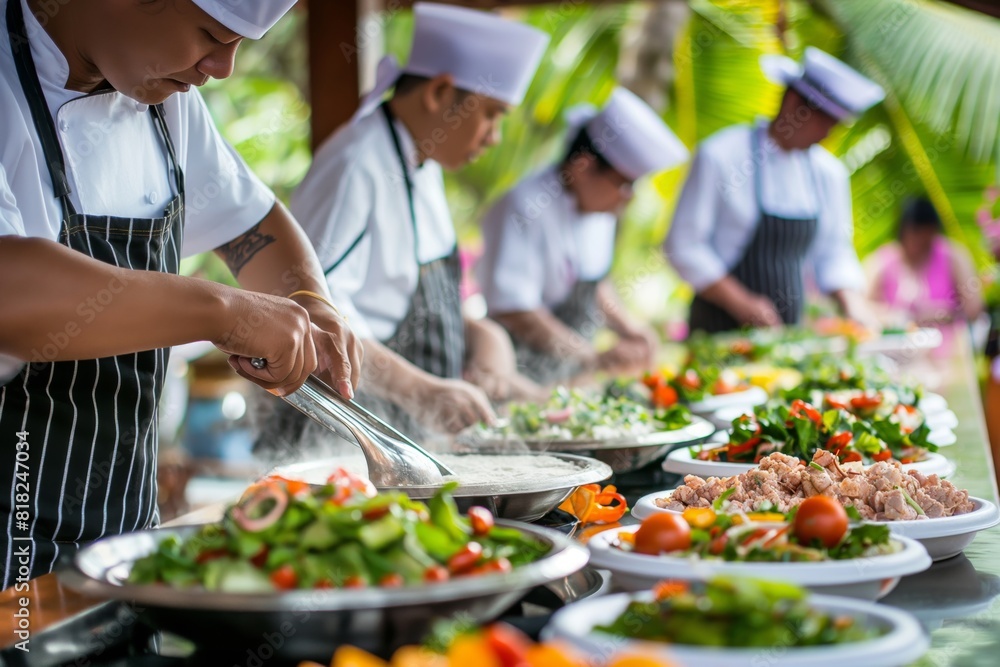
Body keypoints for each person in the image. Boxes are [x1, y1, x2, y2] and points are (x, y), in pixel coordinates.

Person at [0, 0, 363, 588]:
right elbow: (10, 291)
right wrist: (224, 312)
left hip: (121, 543)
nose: (223, 68)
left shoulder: (165, 105)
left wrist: (310, 300)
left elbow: (254, 225)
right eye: (211, 34)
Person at [288, 3, 549, 437]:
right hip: (344, 428)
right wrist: (422, 390)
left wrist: (486, 337)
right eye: (491, 114)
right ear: (439, 92)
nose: (494, 137)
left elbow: (412, 299)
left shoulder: (423, 162)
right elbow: (317, 316)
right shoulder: (356, 165)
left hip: (405, 428)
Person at [665, 47, 885, 333]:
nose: (828, 135)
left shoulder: (828, 173)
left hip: (784, 338)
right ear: (794, 103)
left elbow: (834, 251)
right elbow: (683, 245)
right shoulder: (720, 155)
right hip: (717, 334)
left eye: (835, 125)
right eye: (824, 122)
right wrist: (740, 302)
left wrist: (852, 305)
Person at [476, 87, 689, 383]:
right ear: (583, 167)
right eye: (625, 185)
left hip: (574, 372)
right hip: (517, 372)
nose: (628, 198)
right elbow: (515, 311)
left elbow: (594, 283)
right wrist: (590, 356)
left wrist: (629, 327)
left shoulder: (596, 210)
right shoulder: (523, 207)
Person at [865, 197, 983, 326]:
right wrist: (894, 315)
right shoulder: (882, 261)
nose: (919, 243)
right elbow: (862, 307)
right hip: (897, 343)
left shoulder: (954, 256)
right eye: (915, 234)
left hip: (948, 342)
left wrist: (941, 312)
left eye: (925, 238)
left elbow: (974, 309)